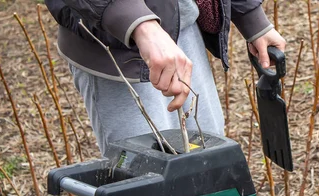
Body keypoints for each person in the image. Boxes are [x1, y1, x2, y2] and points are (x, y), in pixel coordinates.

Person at [44, 0, 286, 155]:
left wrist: (252, 18)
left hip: (185, 27)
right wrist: (140, 25)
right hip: (118, 48)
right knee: (146, 188)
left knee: (211, 164)